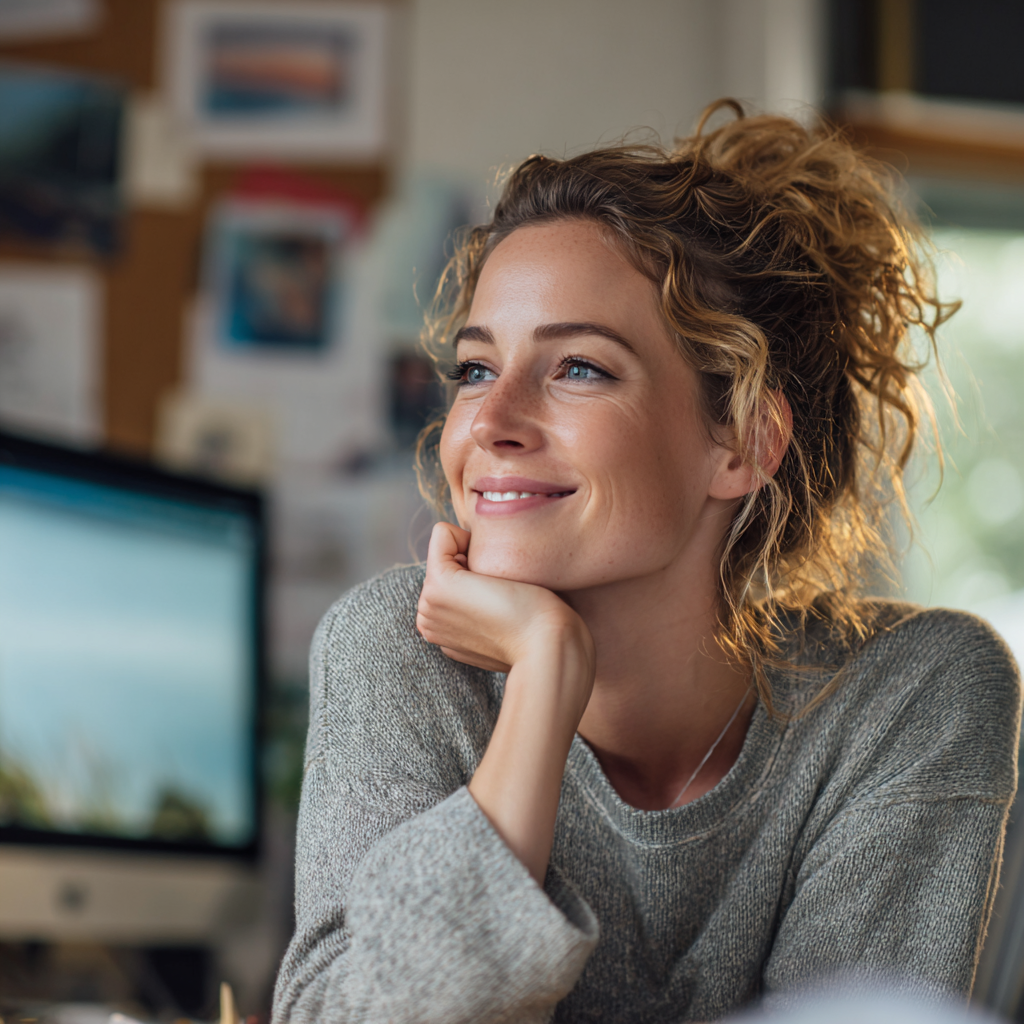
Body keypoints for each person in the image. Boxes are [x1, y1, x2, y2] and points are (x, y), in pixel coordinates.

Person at [272, 101, 1021, 1024]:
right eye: (474, 369)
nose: (490, 421)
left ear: (742, 443)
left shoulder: (911, 695)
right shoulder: (399, 648)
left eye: (578, 367)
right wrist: (545, 680)